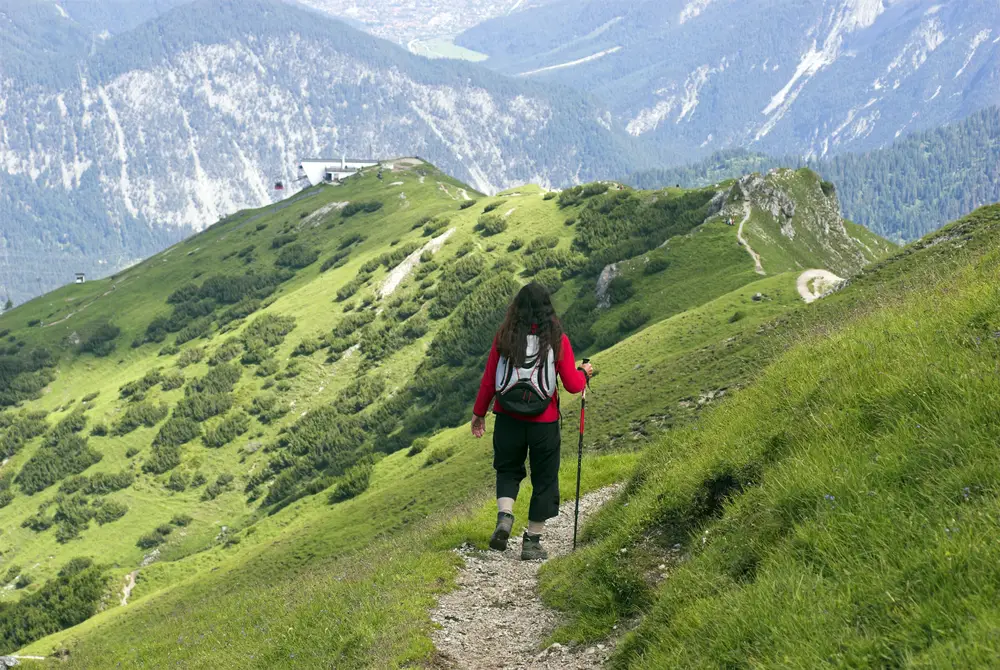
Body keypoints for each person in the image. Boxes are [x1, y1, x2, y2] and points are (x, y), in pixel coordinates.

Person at [471, 282, 593, 560]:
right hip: (544, 422)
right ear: (547, 308)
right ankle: (532, 542)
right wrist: (584, 373)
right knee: (545, 479)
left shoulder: (504, 336)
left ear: (516, 308)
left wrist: (479, 414)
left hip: (507, 419)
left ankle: (505, 516)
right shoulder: (556, 339)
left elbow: (490, 380)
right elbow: (573, 385)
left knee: (508, 470)